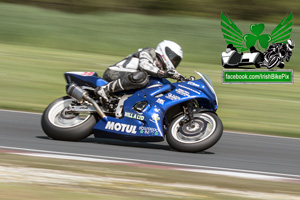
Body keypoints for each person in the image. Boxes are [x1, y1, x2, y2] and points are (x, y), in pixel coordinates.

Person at [95, 40, 183, 102]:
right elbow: (144, 65)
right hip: (114, 72)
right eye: (173, 59)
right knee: (142, 76)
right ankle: (104, 89)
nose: (173, 62)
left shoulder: (157, 69)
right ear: (166, 51)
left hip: (128, 78)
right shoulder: (149, 51)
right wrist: (164, 73)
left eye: (175, 61)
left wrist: (181, 78)